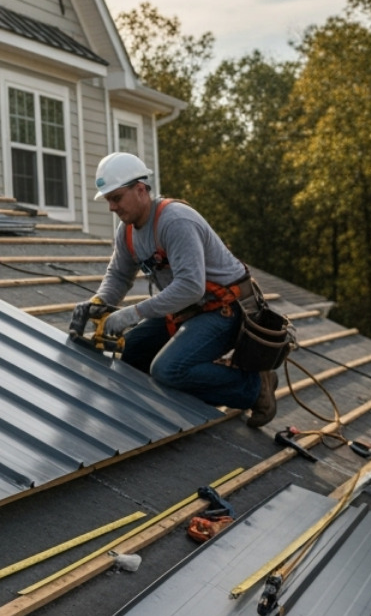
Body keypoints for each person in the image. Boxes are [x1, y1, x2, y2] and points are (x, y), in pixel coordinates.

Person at [79, 152, 277, 427]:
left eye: (116, 198)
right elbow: (118, 275)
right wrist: (100, 301)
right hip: (185, 309)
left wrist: (132, 314)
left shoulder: (175, 221)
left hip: (226, 309)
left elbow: (191, 286)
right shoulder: (127, 232)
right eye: (109, 199)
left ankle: (254, 388)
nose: (112, 207)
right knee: (128, 353)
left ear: (140, 190)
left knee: (168, 370)